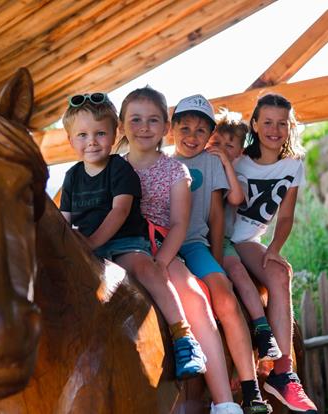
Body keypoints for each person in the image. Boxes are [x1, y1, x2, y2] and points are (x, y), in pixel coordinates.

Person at [59, 92, 206, 380]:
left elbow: (120, 211)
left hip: (124, 243)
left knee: (147, 271)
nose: (92, 141)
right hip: (90, 250)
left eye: (100, 133)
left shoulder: (120, 168)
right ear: (70, 140)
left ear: (115, 134)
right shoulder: (72, 177)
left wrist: (89, 244)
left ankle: (183, 337)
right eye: (82, 135)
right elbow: (64, 222)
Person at [118, 87, 243, 414]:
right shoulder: (110, 167)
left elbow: (178, 224)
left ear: (163, 128)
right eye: (136, 119)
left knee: (195, 298)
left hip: (161, 247)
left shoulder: (176, 171)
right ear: (122, 125)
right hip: (117, 247)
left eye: (153, 120)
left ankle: (224, 402)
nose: (145, 127)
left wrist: (161, 260)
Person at [171, 94, 271, 413]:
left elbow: (216, 216)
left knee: (225, 297)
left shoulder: (212, 162)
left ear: (209, 135)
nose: (191, 136)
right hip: (162, 248)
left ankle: (249, 386)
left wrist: (215, 261)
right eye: (184, 127)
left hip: (194, 245)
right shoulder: (163, 162)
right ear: (172, 128)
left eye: (201, 131)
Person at [231, 94, 318, 413]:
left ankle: (284, 374)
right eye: (267, 121)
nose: (274, 129)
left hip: (248, 240)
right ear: (254, 124)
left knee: (281, 272)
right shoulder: (238, 158)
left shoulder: (293, 164)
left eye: (282, 123)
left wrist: (276, 250)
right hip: (219, 238)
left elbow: (285, 216)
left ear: (290, 127)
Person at [206, 110, 282, 362]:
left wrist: (226, 165)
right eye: (217, 143)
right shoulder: (196, 167)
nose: (222, 149)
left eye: (230, 146)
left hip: (224, 242)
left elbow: (236, 198)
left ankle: (262, 328)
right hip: (195, 241)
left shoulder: (237, 176)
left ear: (238, 153)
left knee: (237, 273)